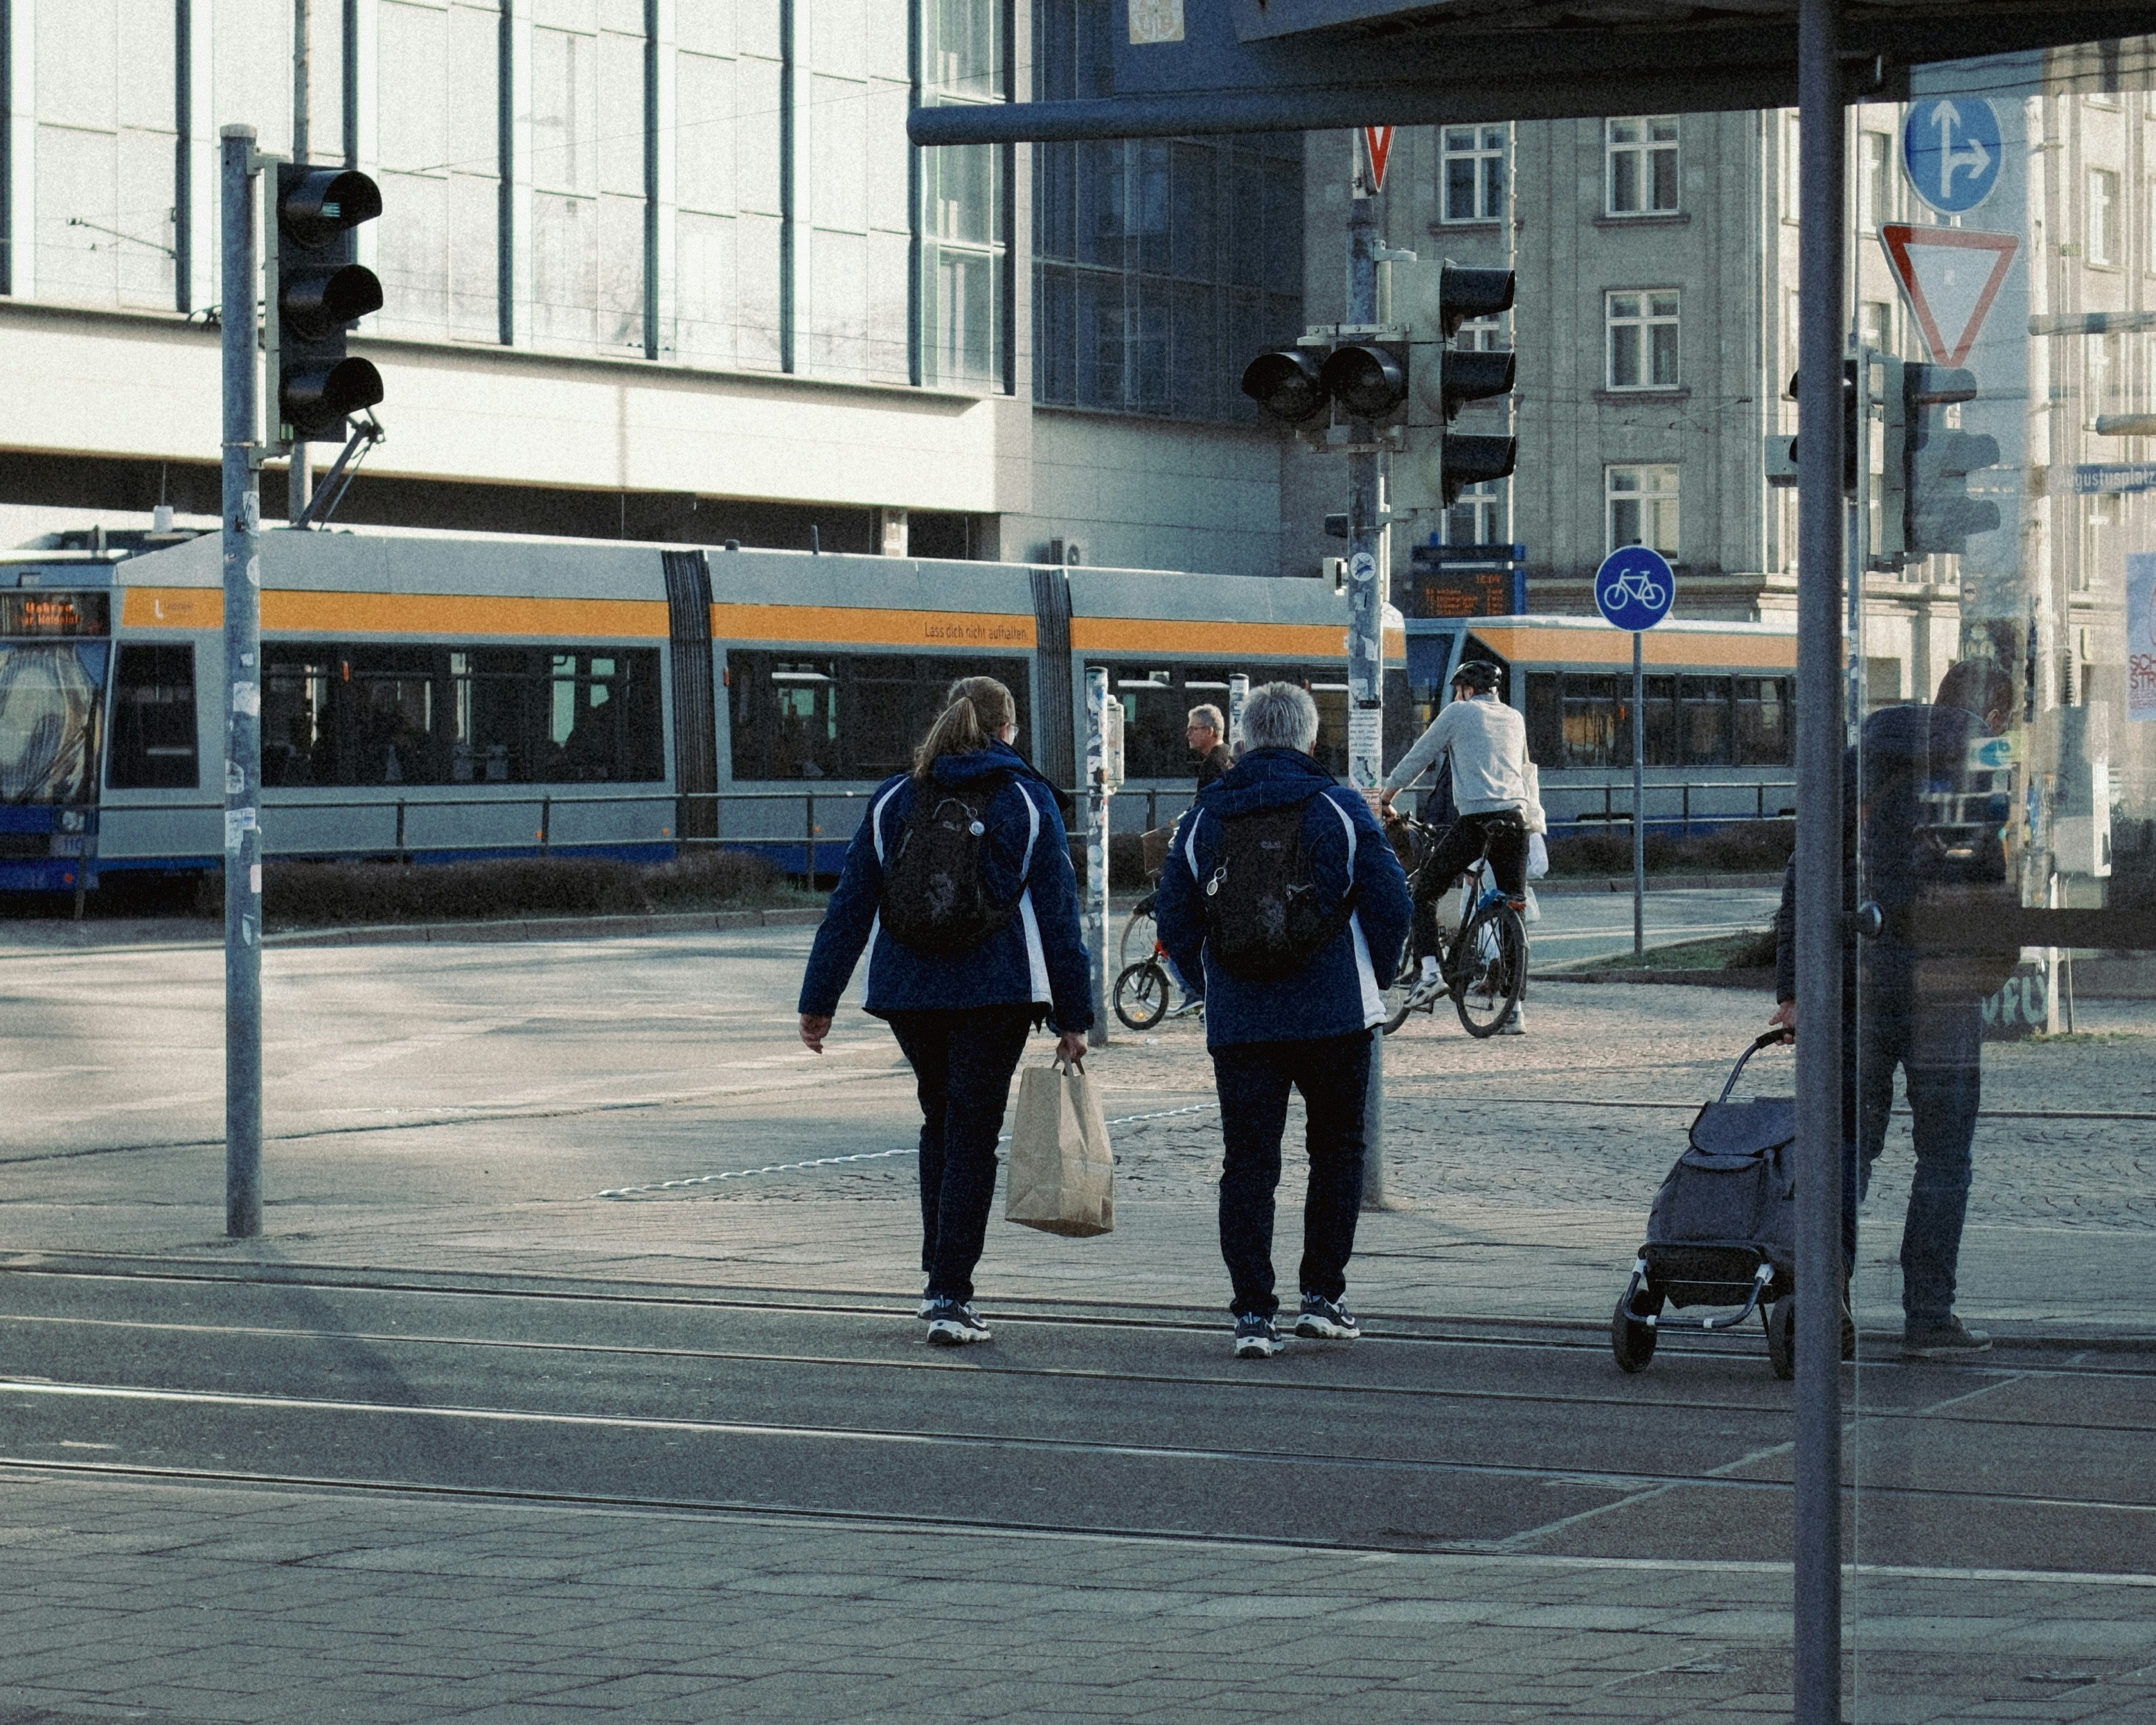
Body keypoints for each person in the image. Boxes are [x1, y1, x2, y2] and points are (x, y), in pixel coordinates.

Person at [797, 675, 1094, 1347]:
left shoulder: (897, 798)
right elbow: (1057, 917)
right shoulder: (1026, 796)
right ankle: (949, 1294)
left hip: (908, 993)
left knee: (941, 1119)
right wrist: (1074, 1016)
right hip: (994, 994)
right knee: (971, 1132)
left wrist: (818, 1002)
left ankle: (939, 1275)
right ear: (1007, 729)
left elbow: (849, 907)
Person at [1155, 682, 1413, 1359]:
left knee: (1247, 1164)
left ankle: (1251, 1315)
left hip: (1240, 1020)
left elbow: (1172, 913)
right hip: (1333, 1012)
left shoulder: (1204, 816)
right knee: (1335, 1152)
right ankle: (1322, 1298)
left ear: (1244, 738)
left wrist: (1202, 982)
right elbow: (1392, 899)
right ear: (1307, 736)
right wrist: (1375, 973)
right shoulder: (1338, 805)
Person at [1768, 657, 2014, 1359]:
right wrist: (1988, 974)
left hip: (1851, 983)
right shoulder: (1977, 763)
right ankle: (1928, 1316)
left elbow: (1800, 874)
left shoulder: (1853, 758)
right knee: (1943, 1158)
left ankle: (1826, 1295)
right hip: (1938, 991)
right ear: (1992, 714)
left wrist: (1791, 989)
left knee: (1847, 1146)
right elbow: (1985, 880)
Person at [1378, 661, 1534, 1015]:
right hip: (1516, 818)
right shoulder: (1515, 718)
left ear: (1466, 689)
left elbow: (1420, 756)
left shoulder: (1458, 713)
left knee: (1426, 892)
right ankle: (1514, 1010)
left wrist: (1388, 796)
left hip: (1477, 818)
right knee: (1514, 905)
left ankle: (1430, 972)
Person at [1187, 705, 1235, 788]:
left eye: (1193, 729)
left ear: (1210, 731)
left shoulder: (1211, 764)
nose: (1188, 734)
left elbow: (1206, 800)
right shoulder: (1230, 753)